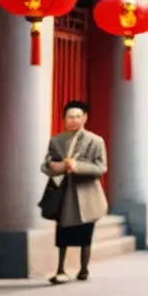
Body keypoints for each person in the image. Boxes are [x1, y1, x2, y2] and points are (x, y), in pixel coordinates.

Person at [41, 100, 108, 284]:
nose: (74, 120)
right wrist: (57, 166)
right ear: (64, 119)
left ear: (85, 118)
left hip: (87, 193)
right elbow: (46, 164)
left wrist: (78, 166)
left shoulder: (95, 141)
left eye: (78, 116)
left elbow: (101, 167)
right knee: (62, 232)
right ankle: (60, 268)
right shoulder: (56, 141)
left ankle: (84, 268)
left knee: (86, 232)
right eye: (70, 117)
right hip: (65, 193)